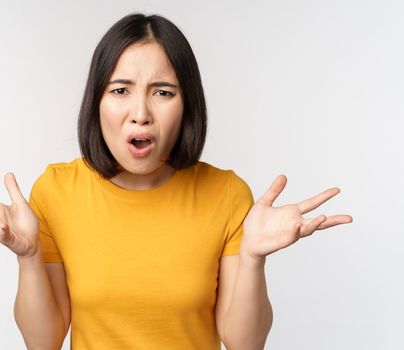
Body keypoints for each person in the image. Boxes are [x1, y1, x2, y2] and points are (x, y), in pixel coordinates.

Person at [0, 13, 352, 350]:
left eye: (163, 92)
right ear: (96, 101)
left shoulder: (226, 195)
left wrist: (251, 258)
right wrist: (29, 257)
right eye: (120, 90)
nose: (140, 114)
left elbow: (246, 344)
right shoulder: (56, 191)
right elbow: (42, 343)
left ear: (187, 105)